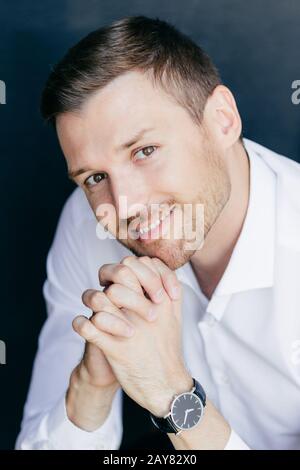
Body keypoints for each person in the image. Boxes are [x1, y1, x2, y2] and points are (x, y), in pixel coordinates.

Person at [16, 16, 300, 450]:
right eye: (93, 177)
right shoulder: (86, 221)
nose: (124, 203)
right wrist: (91, 386)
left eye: (144, 151)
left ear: (222, 120)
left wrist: (175, 397)